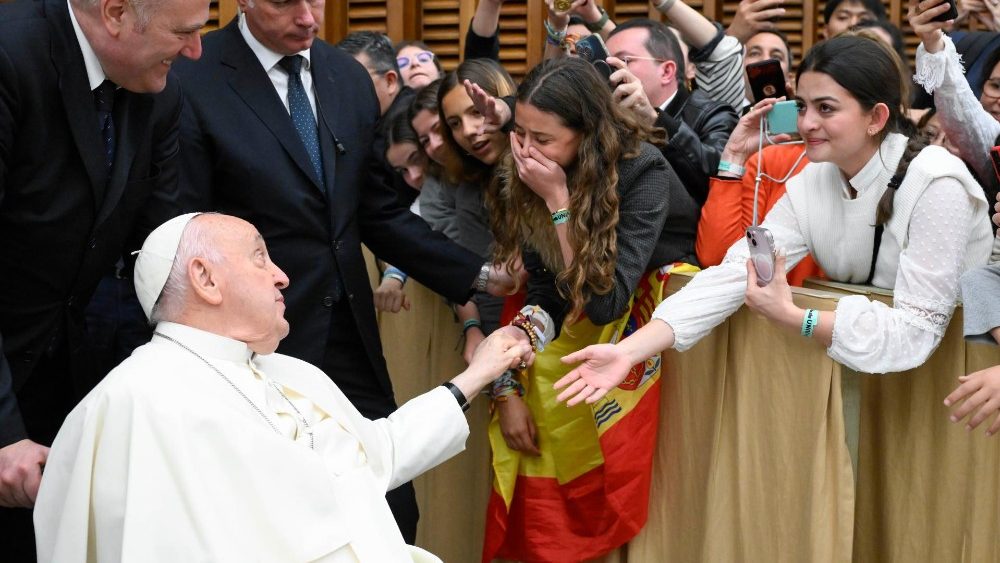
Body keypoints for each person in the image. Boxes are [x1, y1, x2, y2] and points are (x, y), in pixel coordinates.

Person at [170, 0, 515, 542]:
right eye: (288, 2)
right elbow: (184, 224)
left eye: (318, 1)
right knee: (276, 515)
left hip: (350, 333)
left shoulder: (344, 78)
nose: (309, 17)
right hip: (251, 341)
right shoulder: (192, 73)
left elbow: (374, 209)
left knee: (392, 508)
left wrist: (477, 273)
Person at [32, 212, 532, 563]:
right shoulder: (138, 404)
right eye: (260, 258)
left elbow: (376, 456)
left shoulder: (290, 374)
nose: (282, 276)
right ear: (205, 279)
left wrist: (477, 374)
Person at [556, 34, 994, 406]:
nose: (806, 123)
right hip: (870, 383)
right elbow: (737, 272)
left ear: (877, 116)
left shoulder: (937, 182)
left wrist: (795, 317)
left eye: (826, 108)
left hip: (961, 386)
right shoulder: (813, 181)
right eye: (802, 106)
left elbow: (916, 333)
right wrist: (629, 351)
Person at [0, 0, 207, 559]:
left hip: (57, 370)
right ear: (115, 13)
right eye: (184, 33)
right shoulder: (10, 57)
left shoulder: (157, 92)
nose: (196, 52)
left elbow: (157, 251)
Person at [482, 56, 699, 562]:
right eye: (520, 133)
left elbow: (604, 303)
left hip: (654, 327)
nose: (526, 151)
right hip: (585, 324)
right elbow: (545, 286)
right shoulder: (528, 167)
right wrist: (523, 339)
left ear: (587, 134)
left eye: (544, 139)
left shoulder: (642, 170)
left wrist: (558, 200)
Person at [605, 18, 739, 205]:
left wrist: (653, 119)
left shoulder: (714, 114)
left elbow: (717, 181)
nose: (612, 73)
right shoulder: (607, 118)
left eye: (623, 60)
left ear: (667, 71)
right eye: (606, 65)